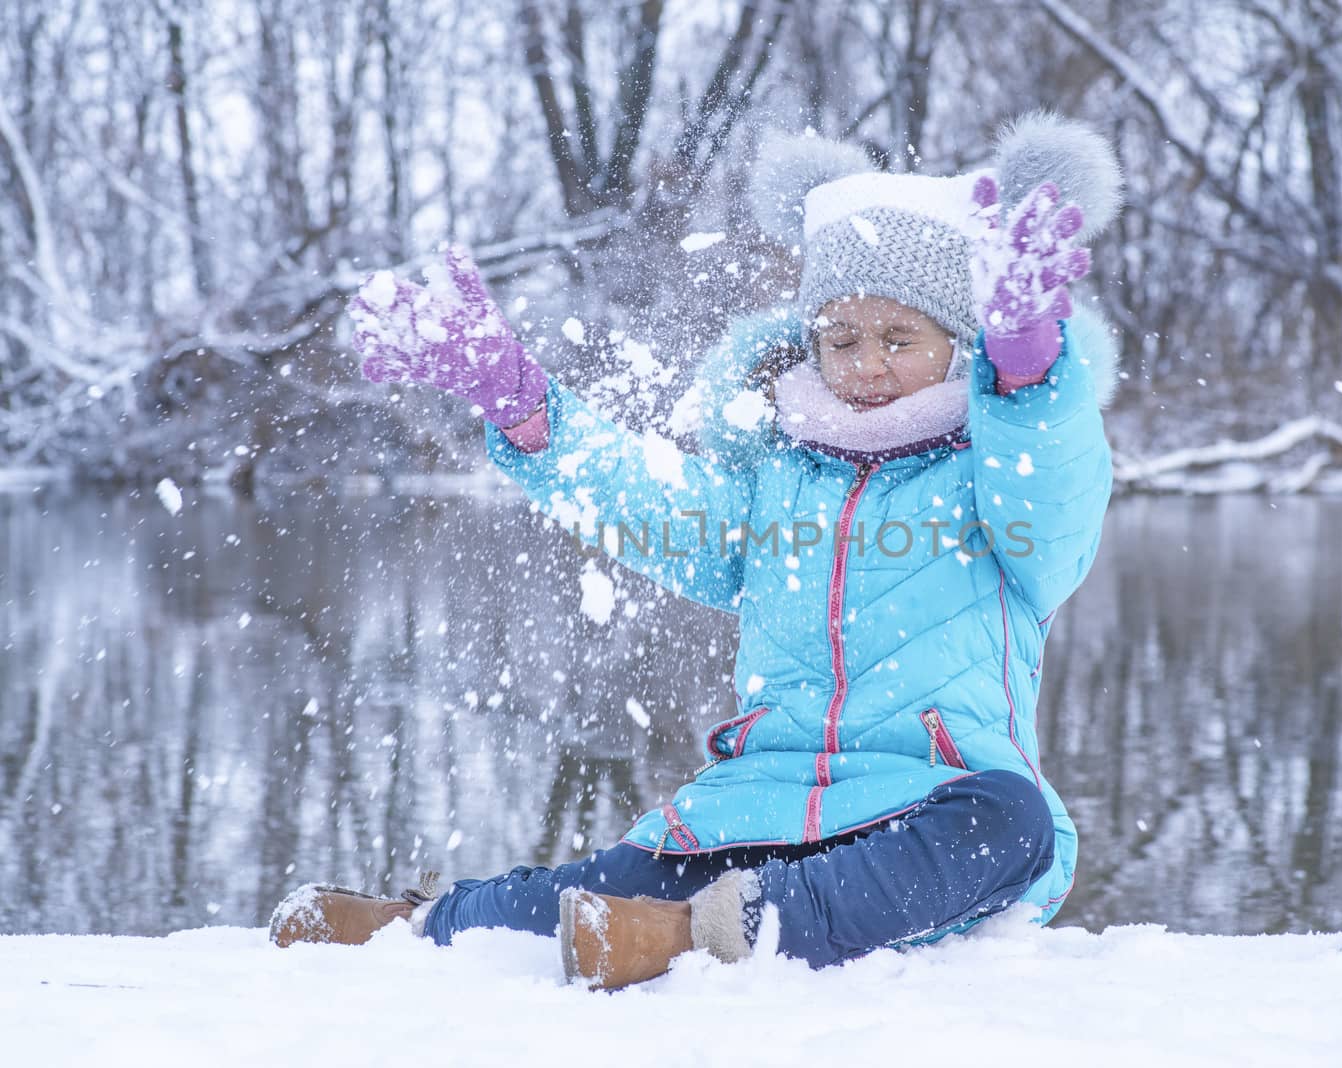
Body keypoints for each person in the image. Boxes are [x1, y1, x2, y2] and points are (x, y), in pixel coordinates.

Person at [271, 112, 1124, 990]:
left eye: (900, 338)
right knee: (598, 883)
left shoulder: (994, 486)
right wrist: (525, 409)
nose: (867, 363)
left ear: (957, 345)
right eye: (841, 338)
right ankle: (423, 924)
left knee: (1014, 819)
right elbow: (645, 501)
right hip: (755, 805)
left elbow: (1053, 495)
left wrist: (1028, 373)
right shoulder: (775, 483)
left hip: (928, 799)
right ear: (810, 341)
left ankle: (719, 929)